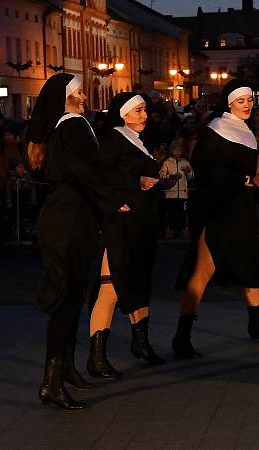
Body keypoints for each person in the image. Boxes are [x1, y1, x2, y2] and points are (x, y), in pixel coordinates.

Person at [28, 74, 128, 410]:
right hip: (67, 220)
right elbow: (81, 169)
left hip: (72, 218)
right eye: (79, 93)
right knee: (66, 299)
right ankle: (51, 382)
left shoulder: (70, 124)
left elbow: (87, 169)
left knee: (74, 296)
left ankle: (66, 368)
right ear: (65, 99)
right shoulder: (71, 123)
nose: (84, 98)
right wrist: (110, 200)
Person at [172, 81, 259, 358]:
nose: (247, 104)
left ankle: (256, 326)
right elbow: (204, 167)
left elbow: (247, 181)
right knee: (202, 272)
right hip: (219, 210)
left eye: (249, 99)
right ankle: (181, 335)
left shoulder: (246, 132)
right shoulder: (216, 130)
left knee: (251, 267)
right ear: (229, 103)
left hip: (242, 211)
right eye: (241, 100)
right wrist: (236, 180)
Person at [86, 92, 166, 380]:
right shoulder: (112, 138)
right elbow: (101, 175)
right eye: (138, 110)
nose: (144, 115)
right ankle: (96, 357)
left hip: (140, 222)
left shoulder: (137, 141)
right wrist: (136, 182)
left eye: (145, 110)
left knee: (138, 279)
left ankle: (141, 343)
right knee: (110, 286)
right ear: (123, 113)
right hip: (119, 223)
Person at [160, 141, 193, 239]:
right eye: (175, 150)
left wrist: (189, 172)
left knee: (183, 213)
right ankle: (170, 230)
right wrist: (171, 176)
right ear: (171, 150)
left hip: (183, 194)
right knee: (171, 213)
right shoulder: (167, 162)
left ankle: (184, 230)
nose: (177, 152)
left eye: (179, 150)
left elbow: (191, 177)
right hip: (170, 193)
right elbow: (161, 175)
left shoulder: (185, 162)